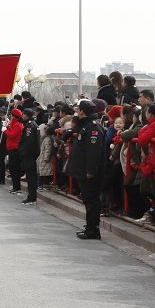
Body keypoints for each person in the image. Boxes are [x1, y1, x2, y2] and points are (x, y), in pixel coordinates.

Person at [69, 100, 106, 240]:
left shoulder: (93, 127)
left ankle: (93, 229)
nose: (77, 113)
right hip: (83, 170)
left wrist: (90, 170)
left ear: (83, 111)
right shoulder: (86, 125)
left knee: (92, 201)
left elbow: (93, 152)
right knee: (87, 200)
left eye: (78, 110)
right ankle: (90, 226)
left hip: (90, 173)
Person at [18, 110, 41, 204]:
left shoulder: (30, 125)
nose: (22, 115)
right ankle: (31, 196)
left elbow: (29, 141)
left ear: (27, 115)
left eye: (23, 114)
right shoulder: (31, 124)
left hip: (29, 154)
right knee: (30, 176)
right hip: (31, 154)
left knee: (31, 177)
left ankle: (31, 197)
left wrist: (23, 152)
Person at [5, 108, 25, 193]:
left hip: (15, 148)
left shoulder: (18, 125)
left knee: (14, 168)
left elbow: (12, 135)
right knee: (12, 168)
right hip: (11, 147)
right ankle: (15, 186)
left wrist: (5, 130)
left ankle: (17, 187)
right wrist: (8, 126)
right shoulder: (14, 124)